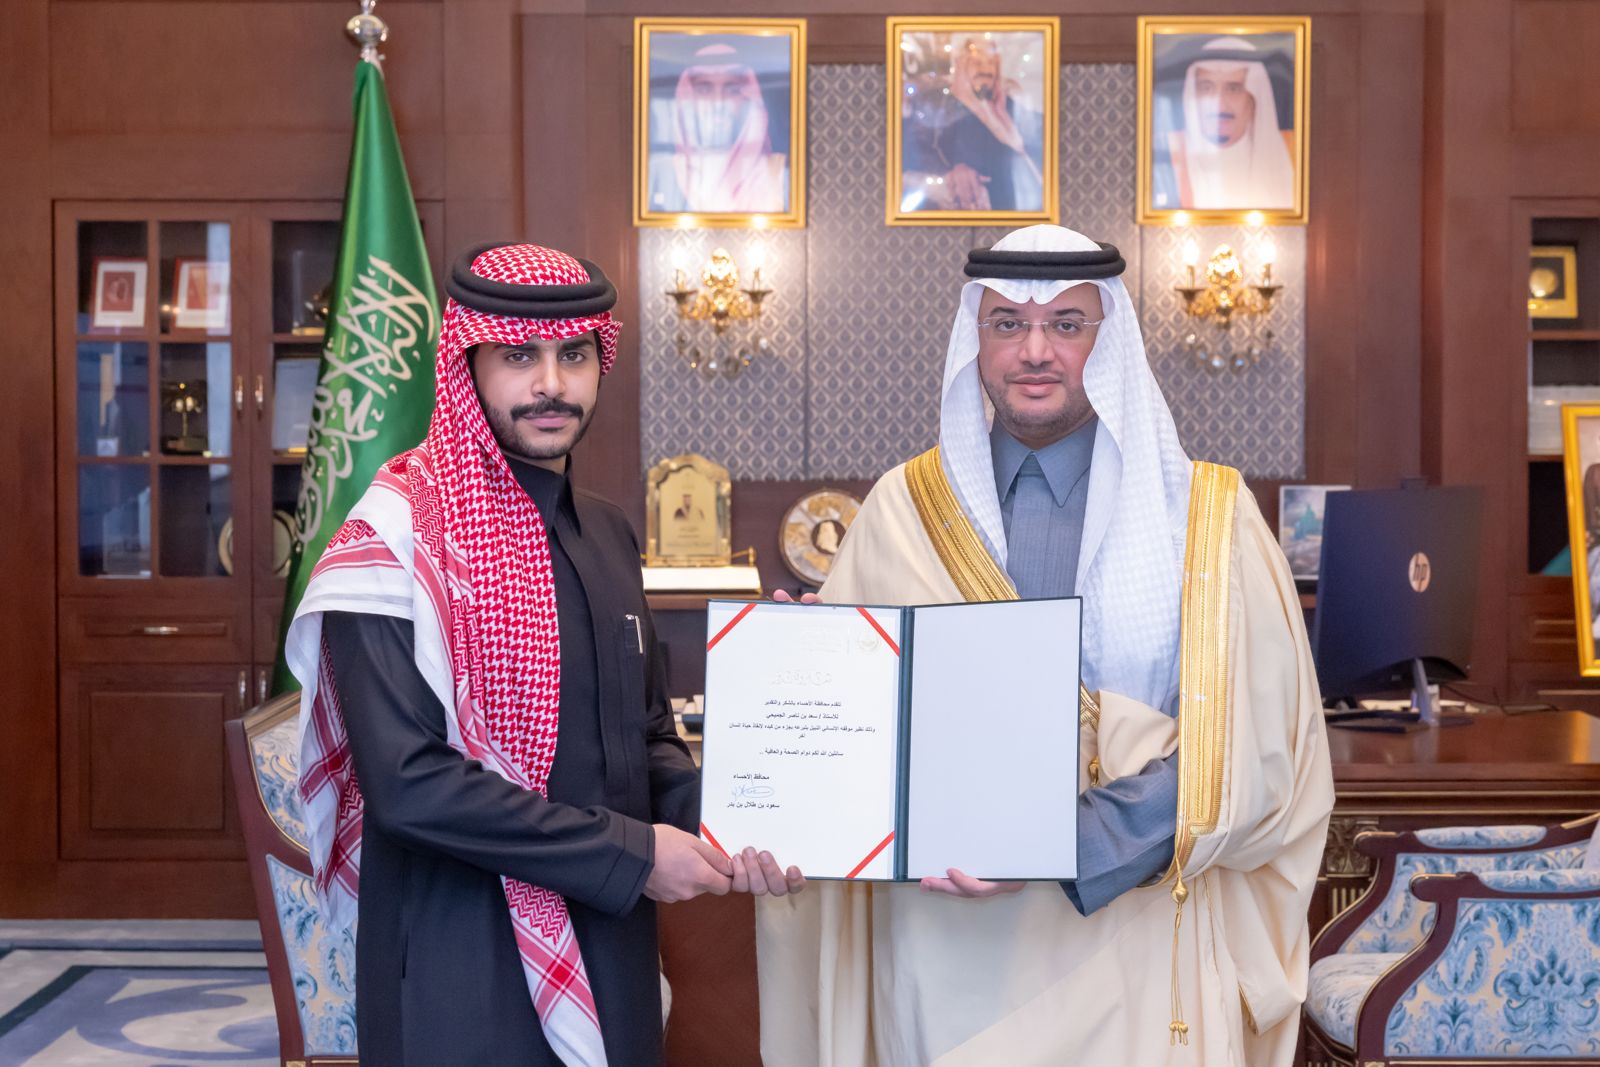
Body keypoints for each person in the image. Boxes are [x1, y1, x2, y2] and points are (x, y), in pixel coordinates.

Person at [758, 225, 1333, 1066]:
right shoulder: (900, 510)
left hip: (1133, 943)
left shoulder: (1206, 517)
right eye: (1008, 324)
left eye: (1067, 323)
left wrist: (1066, 842)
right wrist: (805, 678)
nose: (1035, 350)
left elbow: (1259, 749)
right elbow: (854, 752)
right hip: (943, 958)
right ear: (975, 339)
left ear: (1110, 338)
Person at [286, 242, 800, 1067]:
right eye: (519, 355)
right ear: (468, 364)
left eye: (574, 355)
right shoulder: (394, 542)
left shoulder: (608, 532)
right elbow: (410, 788)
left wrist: (746, 815)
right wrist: (633, 855)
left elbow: (646, 737)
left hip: (612, 938)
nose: (551, 383)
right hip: (460, 958)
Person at [901, 36, 1044, 213]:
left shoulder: (1007, 108)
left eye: (991, 63)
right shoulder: (938, 104)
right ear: (960, 64)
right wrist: (948, 175)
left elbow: (1037, 145)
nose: (985, 69)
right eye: (976, 62)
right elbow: (913, 152)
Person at [648, 41, 788, 215]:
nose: (718, 102)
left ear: (749, 100)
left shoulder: (778, 175)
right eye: (704, 89)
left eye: (732, 90)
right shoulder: (658, 172)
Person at [1164, 37, 1296, 210]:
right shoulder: (1169, 153)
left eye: (1233, 89)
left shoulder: (1292, 153)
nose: (1219, 105)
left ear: (1254, 98)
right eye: (1206, 88)